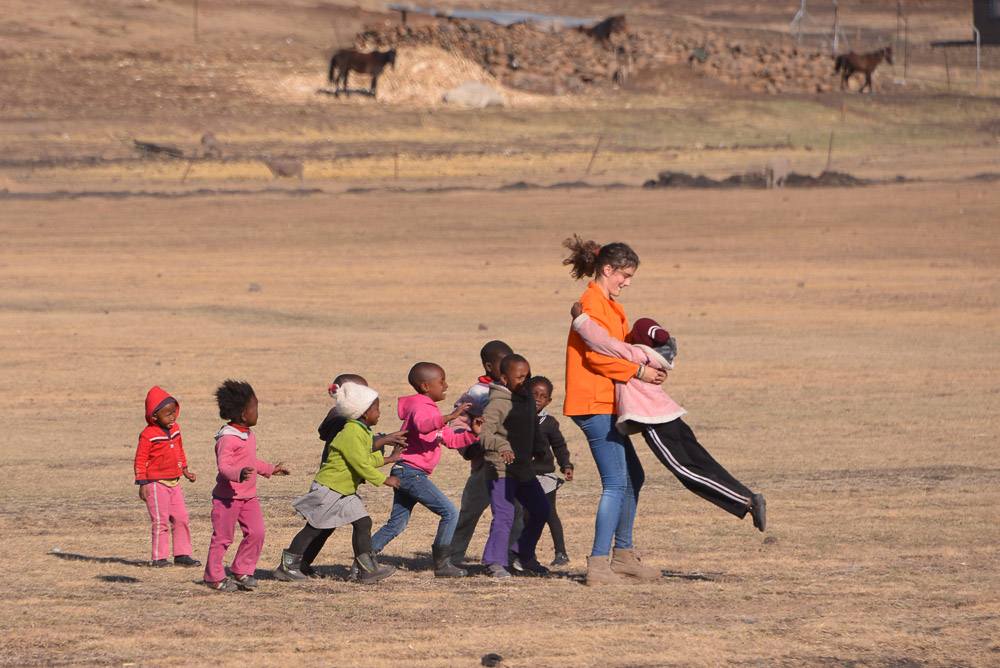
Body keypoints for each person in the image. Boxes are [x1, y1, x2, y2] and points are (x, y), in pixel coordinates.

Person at [571, 305, 766, 530]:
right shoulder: (658, 359)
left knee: (686, 470)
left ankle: (747, 501)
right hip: (672, 416)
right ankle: (747, 496)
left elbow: (602, 342)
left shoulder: (636, 354)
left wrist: (581, 320)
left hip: (655, 423)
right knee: (704, 462)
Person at [562, 234, 665, 586]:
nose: (628, 282)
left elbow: (617, 349)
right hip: (594, 404)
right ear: (608, 269)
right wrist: (640, 371)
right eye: (625, 275)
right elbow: (596, 356)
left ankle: (623, 557)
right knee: (615, 483)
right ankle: (598, 566)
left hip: (608, 402)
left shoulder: (608, 305)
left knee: (633, 477)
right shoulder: (592, 303)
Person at [275, 382, 403, 584]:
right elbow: (360, 464)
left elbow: (363, 459)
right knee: (314, 529)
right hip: (330, 488)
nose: (380, 413)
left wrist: (388, 459)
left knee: (363, 522)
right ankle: (287, 566)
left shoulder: (362, 430)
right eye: (376, 409)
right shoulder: (351, 433)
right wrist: (384, 480)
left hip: (344, 490)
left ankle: (366, 569)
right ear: (363, 413)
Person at [370, 362, 482, 577]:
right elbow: (423, 425)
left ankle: (364, 558)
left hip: (409, 472)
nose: (446, 385)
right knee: (449, 513)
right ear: (425, 386)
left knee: (397, 523)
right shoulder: (420, 408)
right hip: (410, 472)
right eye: (441, 382)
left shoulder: (431, 410)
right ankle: (442, 564)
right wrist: (449, 417)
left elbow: (449, 439)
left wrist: (473, 434)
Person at [204, 379, 289, 592]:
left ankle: (241, 570)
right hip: (227, 498)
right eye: (255, 409)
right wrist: (237, 474)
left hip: (249, 497)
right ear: (243, 414)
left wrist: (270, 469)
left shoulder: (248, 435)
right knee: (223, 538)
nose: (257, 413)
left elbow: (251, 462)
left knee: (257, 532)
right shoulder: (228, 439)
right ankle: (213, 577)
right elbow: (224, 467)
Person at [479, 354, 551, 578]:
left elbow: (534, 428)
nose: (525, 380)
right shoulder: (498, 403)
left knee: (541, 509)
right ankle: (493, 562)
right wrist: (502, 446)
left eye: (527, 376)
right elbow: (484, 434)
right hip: (500, 470)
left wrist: (539, 446)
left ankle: (522, 555)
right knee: (505, 515)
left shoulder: (528, 399)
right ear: (503, 378)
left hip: (523, 469)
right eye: (519, 377)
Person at [449, 340, 515, 564]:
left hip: (513, 466)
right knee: (469, 512)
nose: (508, 369)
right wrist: (469, 446)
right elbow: (458, 423)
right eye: (502, 365)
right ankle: (452, 556)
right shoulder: (477, 393)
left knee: (515, 514)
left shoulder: (516, 390)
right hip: (484, 465)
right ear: (489, 366)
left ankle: (507, 556)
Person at [133, 386, 200, 568]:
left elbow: (179, 450)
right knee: (160, 521)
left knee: (181, 518)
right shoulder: (148, 435)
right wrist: (142, 483)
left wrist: (185, 470)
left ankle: (182, 554)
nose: (172, 417)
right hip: (156, 484)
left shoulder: (176, 429)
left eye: (174, 413)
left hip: (175, 482)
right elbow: (140, 460)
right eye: (168, 414)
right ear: (154, 416)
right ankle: (159, 558)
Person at [527, 376, 574, 567]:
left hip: (544, 476)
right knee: (524, 515)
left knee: (549, 513)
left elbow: (560, 446)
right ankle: (527, 554)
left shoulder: (549, 423)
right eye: (534, 394)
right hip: (524, 476)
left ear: (549, 401)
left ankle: (561, 553)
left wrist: (567, 465)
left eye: (543, 396)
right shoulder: (518, 419)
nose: (538, 398)